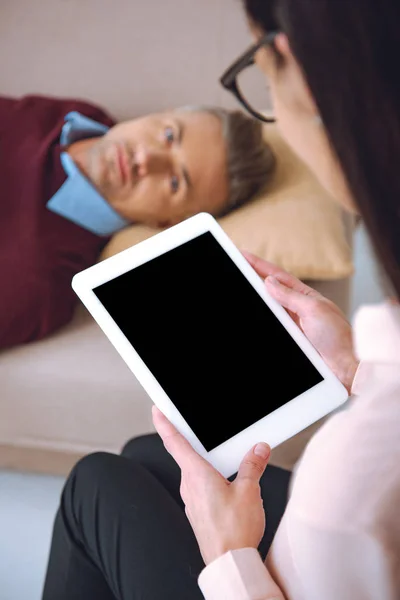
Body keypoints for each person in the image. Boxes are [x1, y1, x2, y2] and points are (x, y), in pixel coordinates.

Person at [42, 0, 400, 598]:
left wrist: (229, 554)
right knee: (147, 455)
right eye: (167, 133)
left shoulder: (348, 499)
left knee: (93, 484)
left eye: (259, 67)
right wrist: (355, 370)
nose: (146, 160)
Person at [0, 95, 273, 349]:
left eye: (175, 182)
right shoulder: (81, 115)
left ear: (167, 222)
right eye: (169, 135)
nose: (145, 159)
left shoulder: (41, 285)